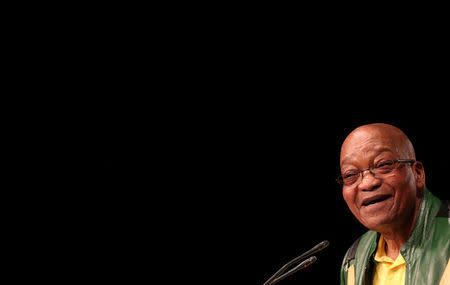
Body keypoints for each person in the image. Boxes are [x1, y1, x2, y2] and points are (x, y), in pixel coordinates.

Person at [338, 123, 449, 285]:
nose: (367, 183)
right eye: (350, 174)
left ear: (417, 173)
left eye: (383, 165)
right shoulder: (354, 260)